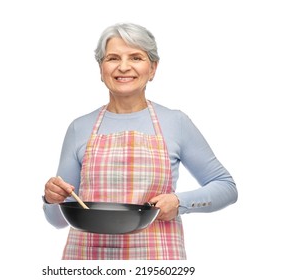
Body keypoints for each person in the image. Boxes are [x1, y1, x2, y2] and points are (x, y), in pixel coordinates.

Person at [43, 23, 237, 260]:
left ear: (153, 68)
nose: (124, 67)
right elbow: (57, 220)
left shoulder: (176, 122)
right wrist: (52, 198)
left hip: (156, 260)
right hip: (86, 260)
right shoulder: (79, 127)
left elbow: (227, 187)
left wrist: (180, 202)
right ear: (101, 68)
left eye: (136, 57)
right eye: (113, 58)